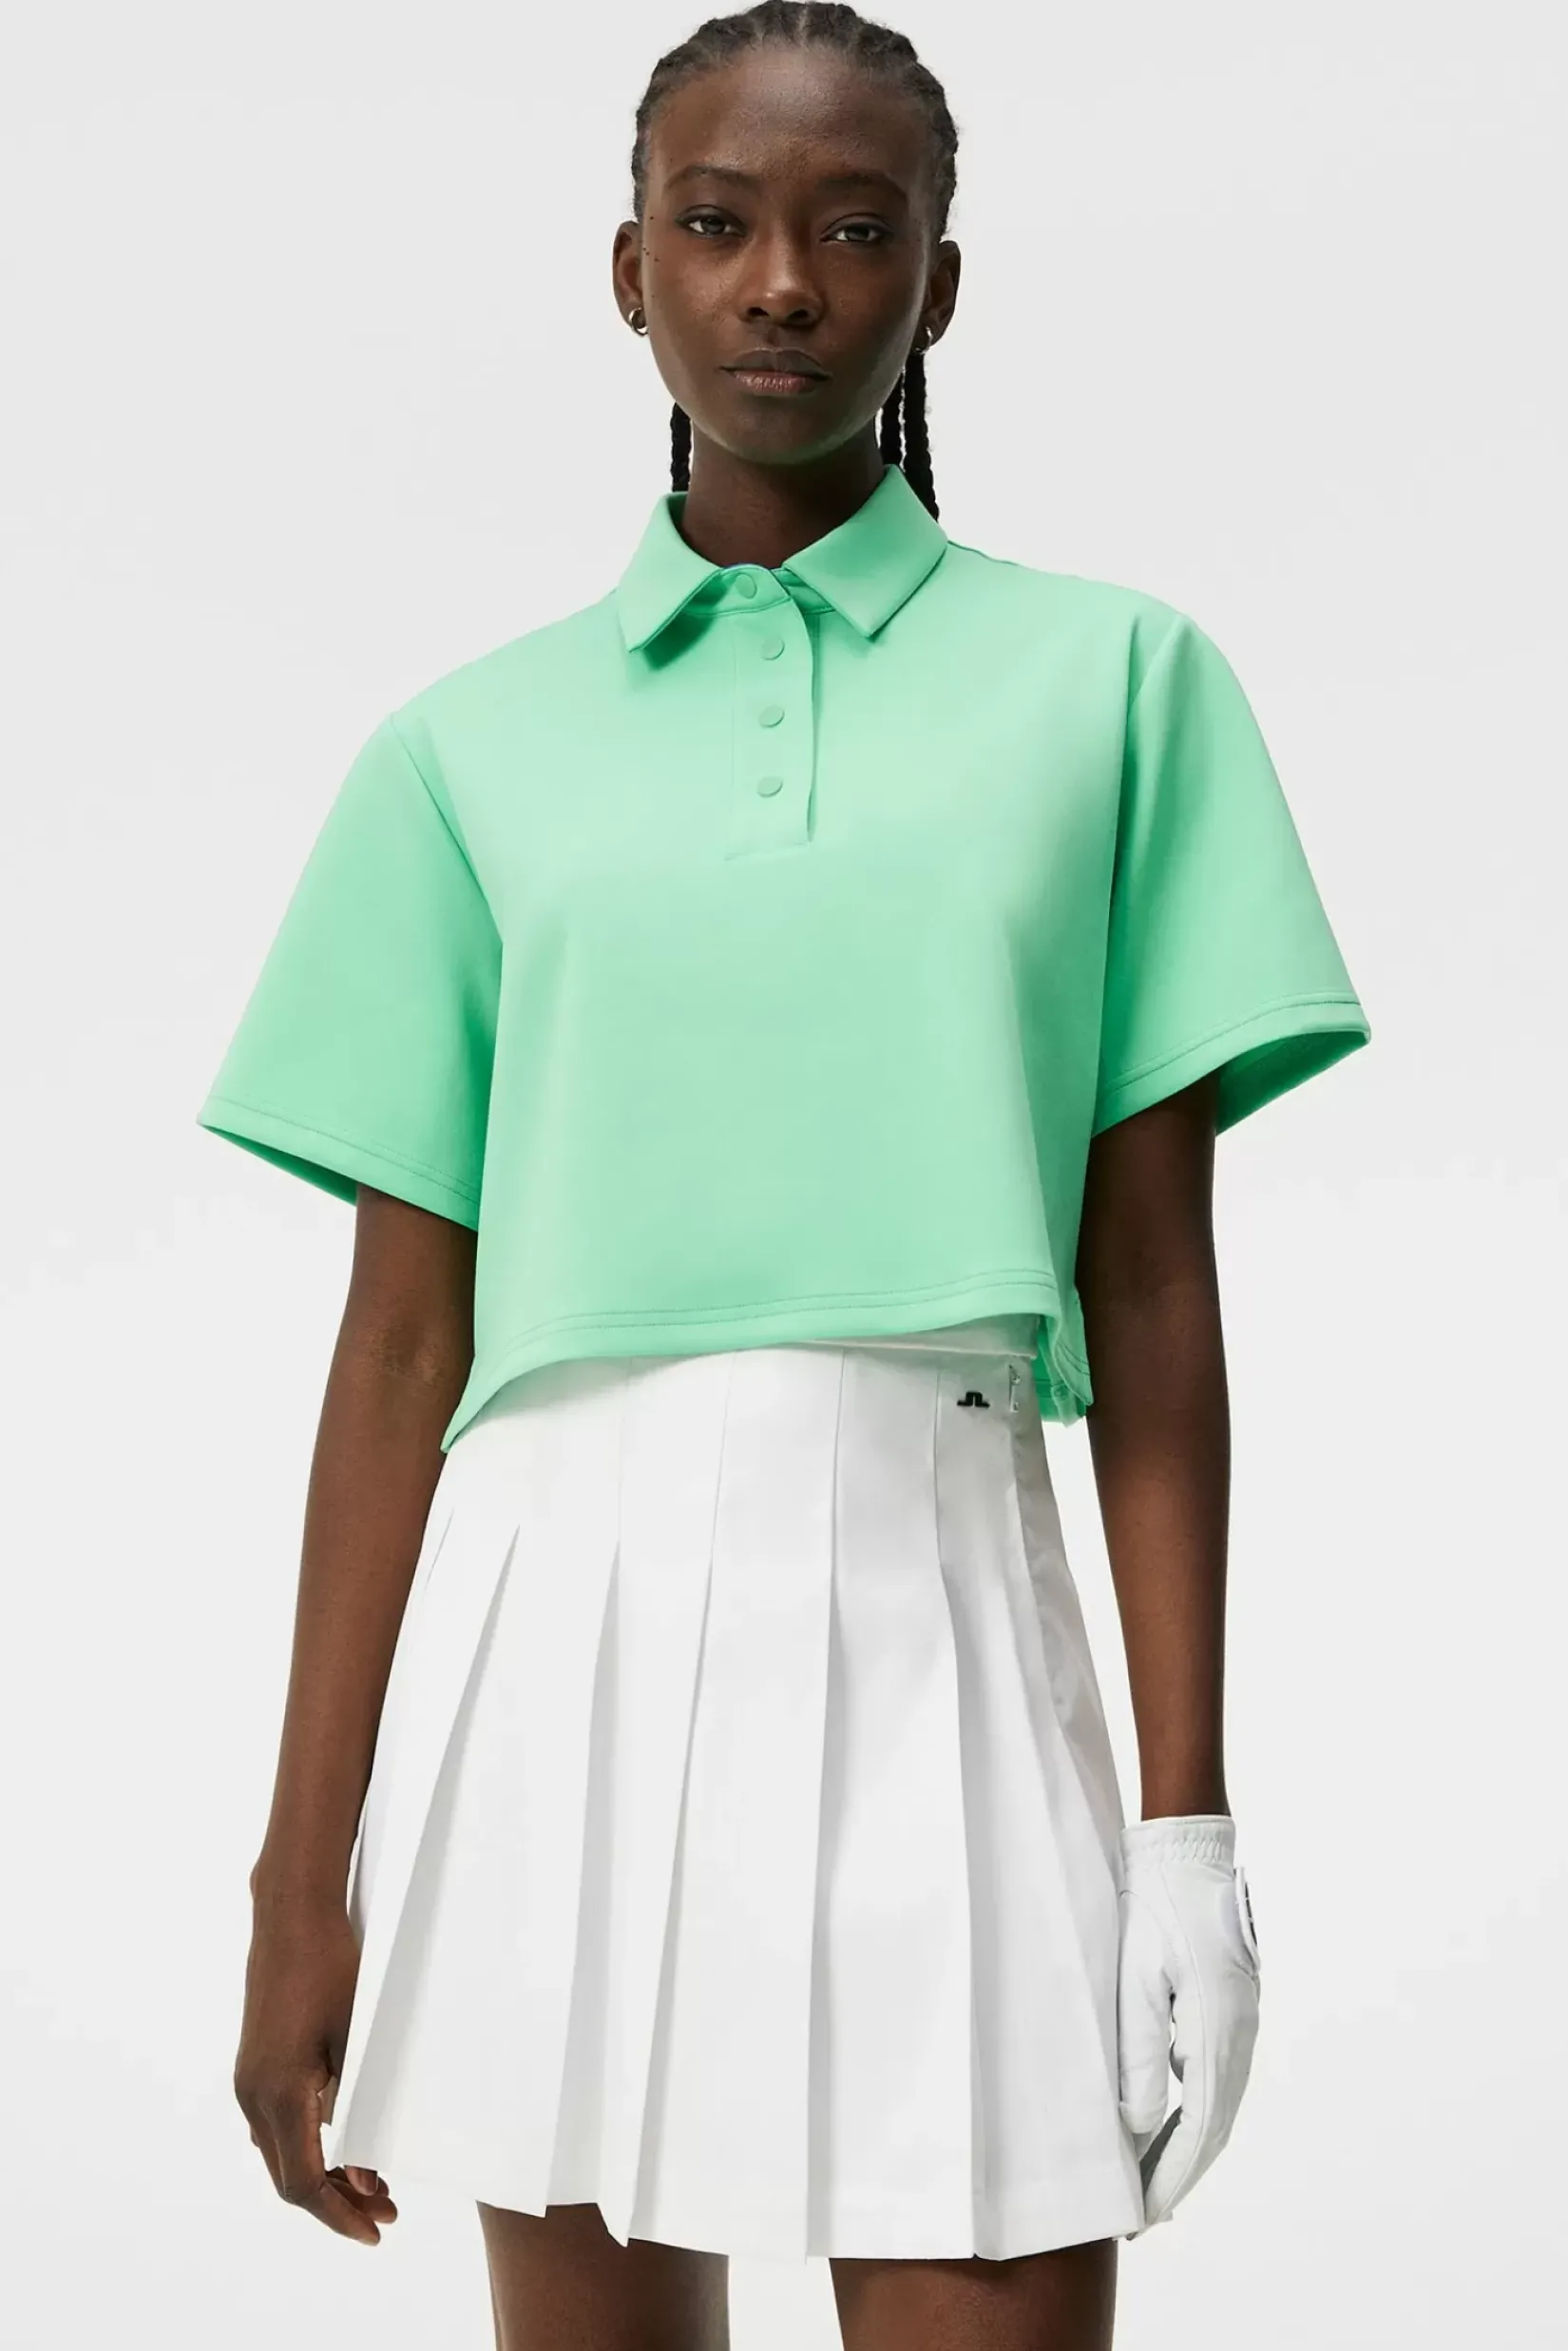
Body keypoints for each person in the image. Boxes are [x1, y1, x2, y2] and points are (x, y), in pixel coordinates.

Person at [200, 6, 1369, 2346]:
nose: (780, 285)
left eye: (855, 230)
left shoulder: (1120, 685)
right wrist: (296, 1874)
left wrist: (1191, 1826)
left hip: (944, 1601)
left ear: (942, 283)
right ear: (627, 268)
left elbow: (1152, 1288)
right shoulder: (464, 749)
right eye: (717, 223)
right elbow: (403, 1343)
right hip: (564, 1634)